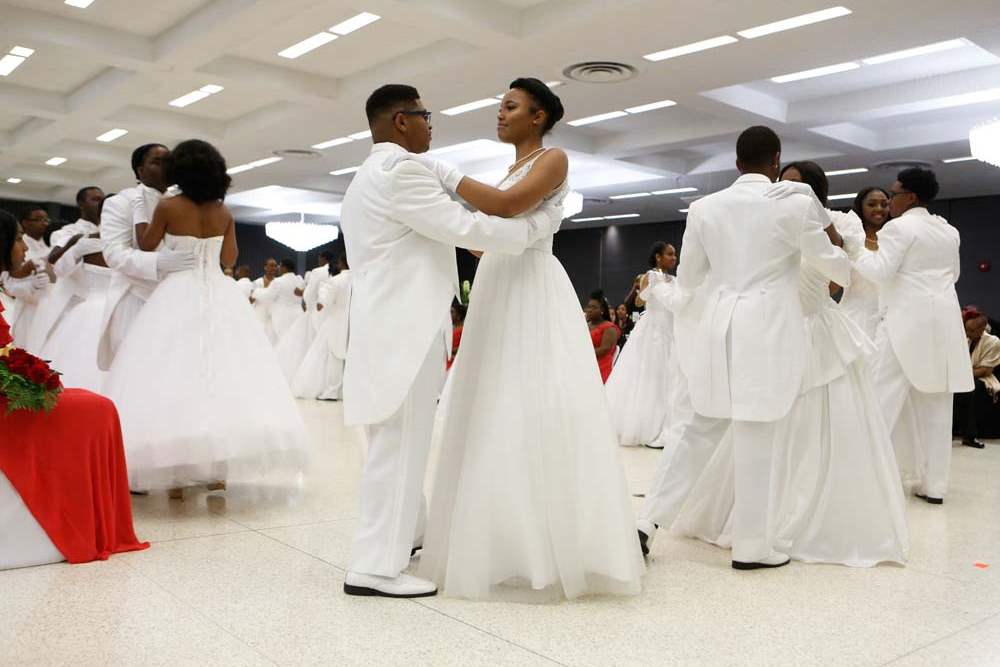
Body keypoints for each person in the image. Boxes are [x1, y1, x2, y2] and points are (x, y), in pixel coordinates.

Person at [339, 83, 569, 599]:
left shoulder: (367, 175)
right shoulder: (404, 172)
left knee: (394, 441)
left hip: (388, 326)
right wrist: (543, 225)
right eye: (424, 115)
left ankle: (406, 538)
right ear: (402, 122)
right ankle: (374, 566)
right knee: (400, 445)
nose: (430, 124)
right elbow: (471, 230)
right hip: (405, 328)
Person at [418, 78, 643, 601]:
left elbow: (504, 205)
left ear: (538, 116)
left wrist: (447, 175)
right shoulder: (514, 166)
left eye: (511, 107)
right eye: (501, 105)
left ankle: (548, 543)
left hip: (532, 291)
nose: (500, 114)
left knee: (531, 403)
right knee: (494, 407)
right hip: (501, 284)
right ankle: (501, 539)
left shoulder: (553, 158)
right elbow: (501, 222)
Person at [672, 161, 909, 567]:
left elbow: (840, 274)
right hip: (768, 330)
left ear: (815, 189)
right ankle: (752, 526)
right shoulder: (770, 212)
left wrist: (816, 219)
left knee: (817, 425)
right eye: (784, 182)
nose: (785, 188)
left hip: (815, 328)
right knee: (754, 427)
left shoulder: (834, 222)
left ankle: (799, 524)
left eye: (796, 185)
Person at [636, 126, 850, 570]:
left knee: (698, 430)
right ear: (776, 161)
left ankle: (646, 523)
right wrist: (817, 214)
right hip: (769, 328)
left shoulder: (704, 207)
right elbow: (835, 264)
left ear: (736, 163)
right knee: (759, 432)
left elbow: (691, 278)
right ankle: (753, 548)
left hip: (720, 325)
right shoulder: (792, 204)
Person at [101, 139, 307, 497]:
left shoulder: (167, 206)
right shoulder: (223, 212)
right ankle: (217, 470)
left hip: (175, 294)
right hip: (218, 294)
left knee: (172, 377)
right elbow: (230, 257)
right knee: (222, 376)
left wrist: (149, 222)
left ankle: (176, 474)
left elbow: (147, 245)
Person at [855, 168, 973, 504]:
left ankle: (866, 479)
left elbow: (879, 271)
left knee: (879, 401)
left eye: (894, 194)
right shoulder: (948, 230)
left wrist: (854, 247)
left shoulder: (898, 228)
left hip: (904, 324)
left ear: (911, 197)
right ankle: (934, 486)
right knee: (937, 407)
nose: (889, 201)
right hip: (944, 324)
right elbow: (954, 274)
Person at [98, 143, 197, 371]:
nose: (166, 167)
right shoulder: (121, 202)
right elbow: (114, 254)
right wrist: (158, 262)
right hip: (135, 296)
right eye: (157, 162)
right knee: (135, 368)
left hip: (175, 298)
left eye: (169, 161)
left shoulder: (184, 202)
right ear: (139, 171)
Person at [605, 242, 678, 447]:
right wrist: (646, 289)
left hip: (670, 329)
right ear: (658, 256)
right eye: (670, 254)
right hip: (653, 330)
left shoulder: (674, 279)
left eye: (675, 254)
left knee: (668, 376)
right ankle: (647, 426)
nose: (674, 258)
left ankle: (667, 424)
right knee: (650, 375)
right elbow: (638, 303)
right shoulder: (650, 275)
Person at [292, 254, 351, 400]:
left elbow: (322, 304)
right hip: (355, 323)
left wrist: (319, 303)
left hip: (336, 323)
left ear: (341, 263)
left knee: (335, 357)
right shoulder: (361, 279)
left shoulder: (334, 281)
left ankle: (332, 391)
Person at [840, 187, 890, 339]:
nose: (879, 209)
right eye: (872, 204)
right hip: (855, 316)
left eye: (884, 204)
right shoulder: (849, 238)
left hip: (888, 317)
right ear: (861, 207)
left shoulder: (894, 239)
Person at [954, 308, 999, 449]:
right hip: (960, 374)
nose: (967, 334)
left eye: (972, 331)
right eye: (966, 330)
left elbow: (985, 370)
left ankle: (969, 436)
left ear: (982, 328)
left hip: (983, 379)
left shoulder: (993, 342)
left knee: (970, 388)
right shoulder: (963, 337)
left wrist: (961, 374)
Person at [585, 291, 620, 383]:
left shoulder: (609, 327)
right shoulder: (585, 326)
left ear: (602, 310)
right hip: (585, 363)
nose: (589, 310)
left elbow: (605, 349)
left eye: (594, 307)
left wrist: (583, 353)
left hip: (601, 366)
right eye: (588, 307)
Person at [251, 258, 278, 343]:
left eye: (275, 266)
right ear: (265, 267)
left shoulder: (279, 283)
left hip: (273, 318)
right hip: (259, 316)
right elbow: (250, 300)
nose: (273, 268)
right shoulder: (256, 282)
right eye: (271, 265)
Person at [447, 301, 466, 370]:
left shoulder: (463, 330)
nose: (450, 314)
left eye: (452, 312)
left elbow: (463, 348)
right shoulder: (451, 329)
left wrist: (449, 350)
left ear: (459, 316)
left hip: (454, 367)